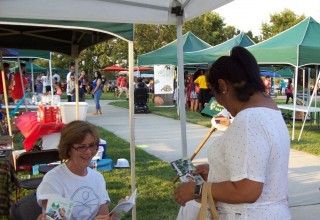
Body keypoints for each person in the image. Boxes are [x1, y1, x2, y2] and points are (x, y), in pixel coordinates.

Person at [173, 46, 291, 219]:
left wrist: (197, 189)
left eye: (215, 93)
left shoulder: (249, 120)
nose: (220, 102)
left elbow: (247, 191)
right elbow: (258, 167)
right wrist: (218, 171)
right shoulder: (269, 111)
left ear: (223, 86)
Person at [36, 121, 116, 220]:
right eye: (81, 147)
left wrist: (116, 213)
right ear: (68, 149)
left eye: (92, 145)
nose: (88, 152)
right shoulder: (53, 180)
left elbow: (104, 215)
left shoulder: (97, 178)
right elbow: (56, 217)